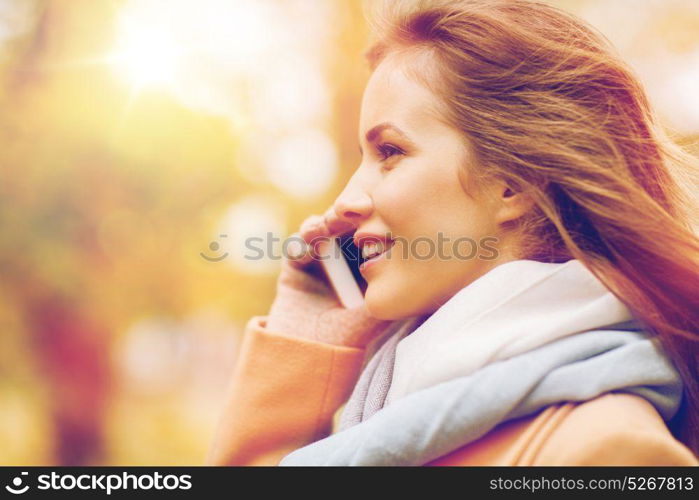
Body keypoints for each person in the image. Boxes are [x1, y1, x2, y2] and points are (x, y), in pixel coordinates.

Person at [205, 0, 699, 466]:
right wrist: (305, 336)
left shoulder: (608, 452)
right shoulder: (386, 411)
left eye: (390, 152)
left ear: (513, 184)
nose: (347, 202)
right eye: (363, 158)